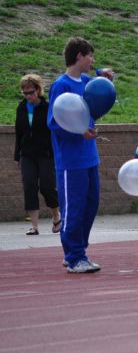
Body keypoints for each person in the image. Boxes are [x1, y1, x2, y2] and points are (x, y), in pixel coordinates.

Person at [47, 37, 105, 273]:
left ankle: (78, 250)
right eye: (90, 56)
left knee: (91, 205)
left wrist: (103, 72)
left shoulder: (87, 82)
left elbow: (99, 90)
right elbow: (53, 122)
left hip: (90, 156)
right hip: (71, 160)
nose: (92, 60)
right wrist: (80, 131)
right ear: (79, 56)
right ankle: (74, 257)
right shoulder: (61, 85)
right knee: (74, 208)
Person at [15, 74, 60, 236]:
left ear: (38, 90)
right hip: (27, 154)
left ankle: (56, 216)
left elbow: (54, 131)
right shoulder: (21, 107)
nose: (28, 96)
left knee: (47, 187)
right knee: (29, 186)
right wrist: (17, 156)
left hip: (45, 153)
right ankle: (34, 227)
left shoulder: (48, 107)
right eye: (25, 92)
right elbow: (18, 133)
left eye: (31, 92)